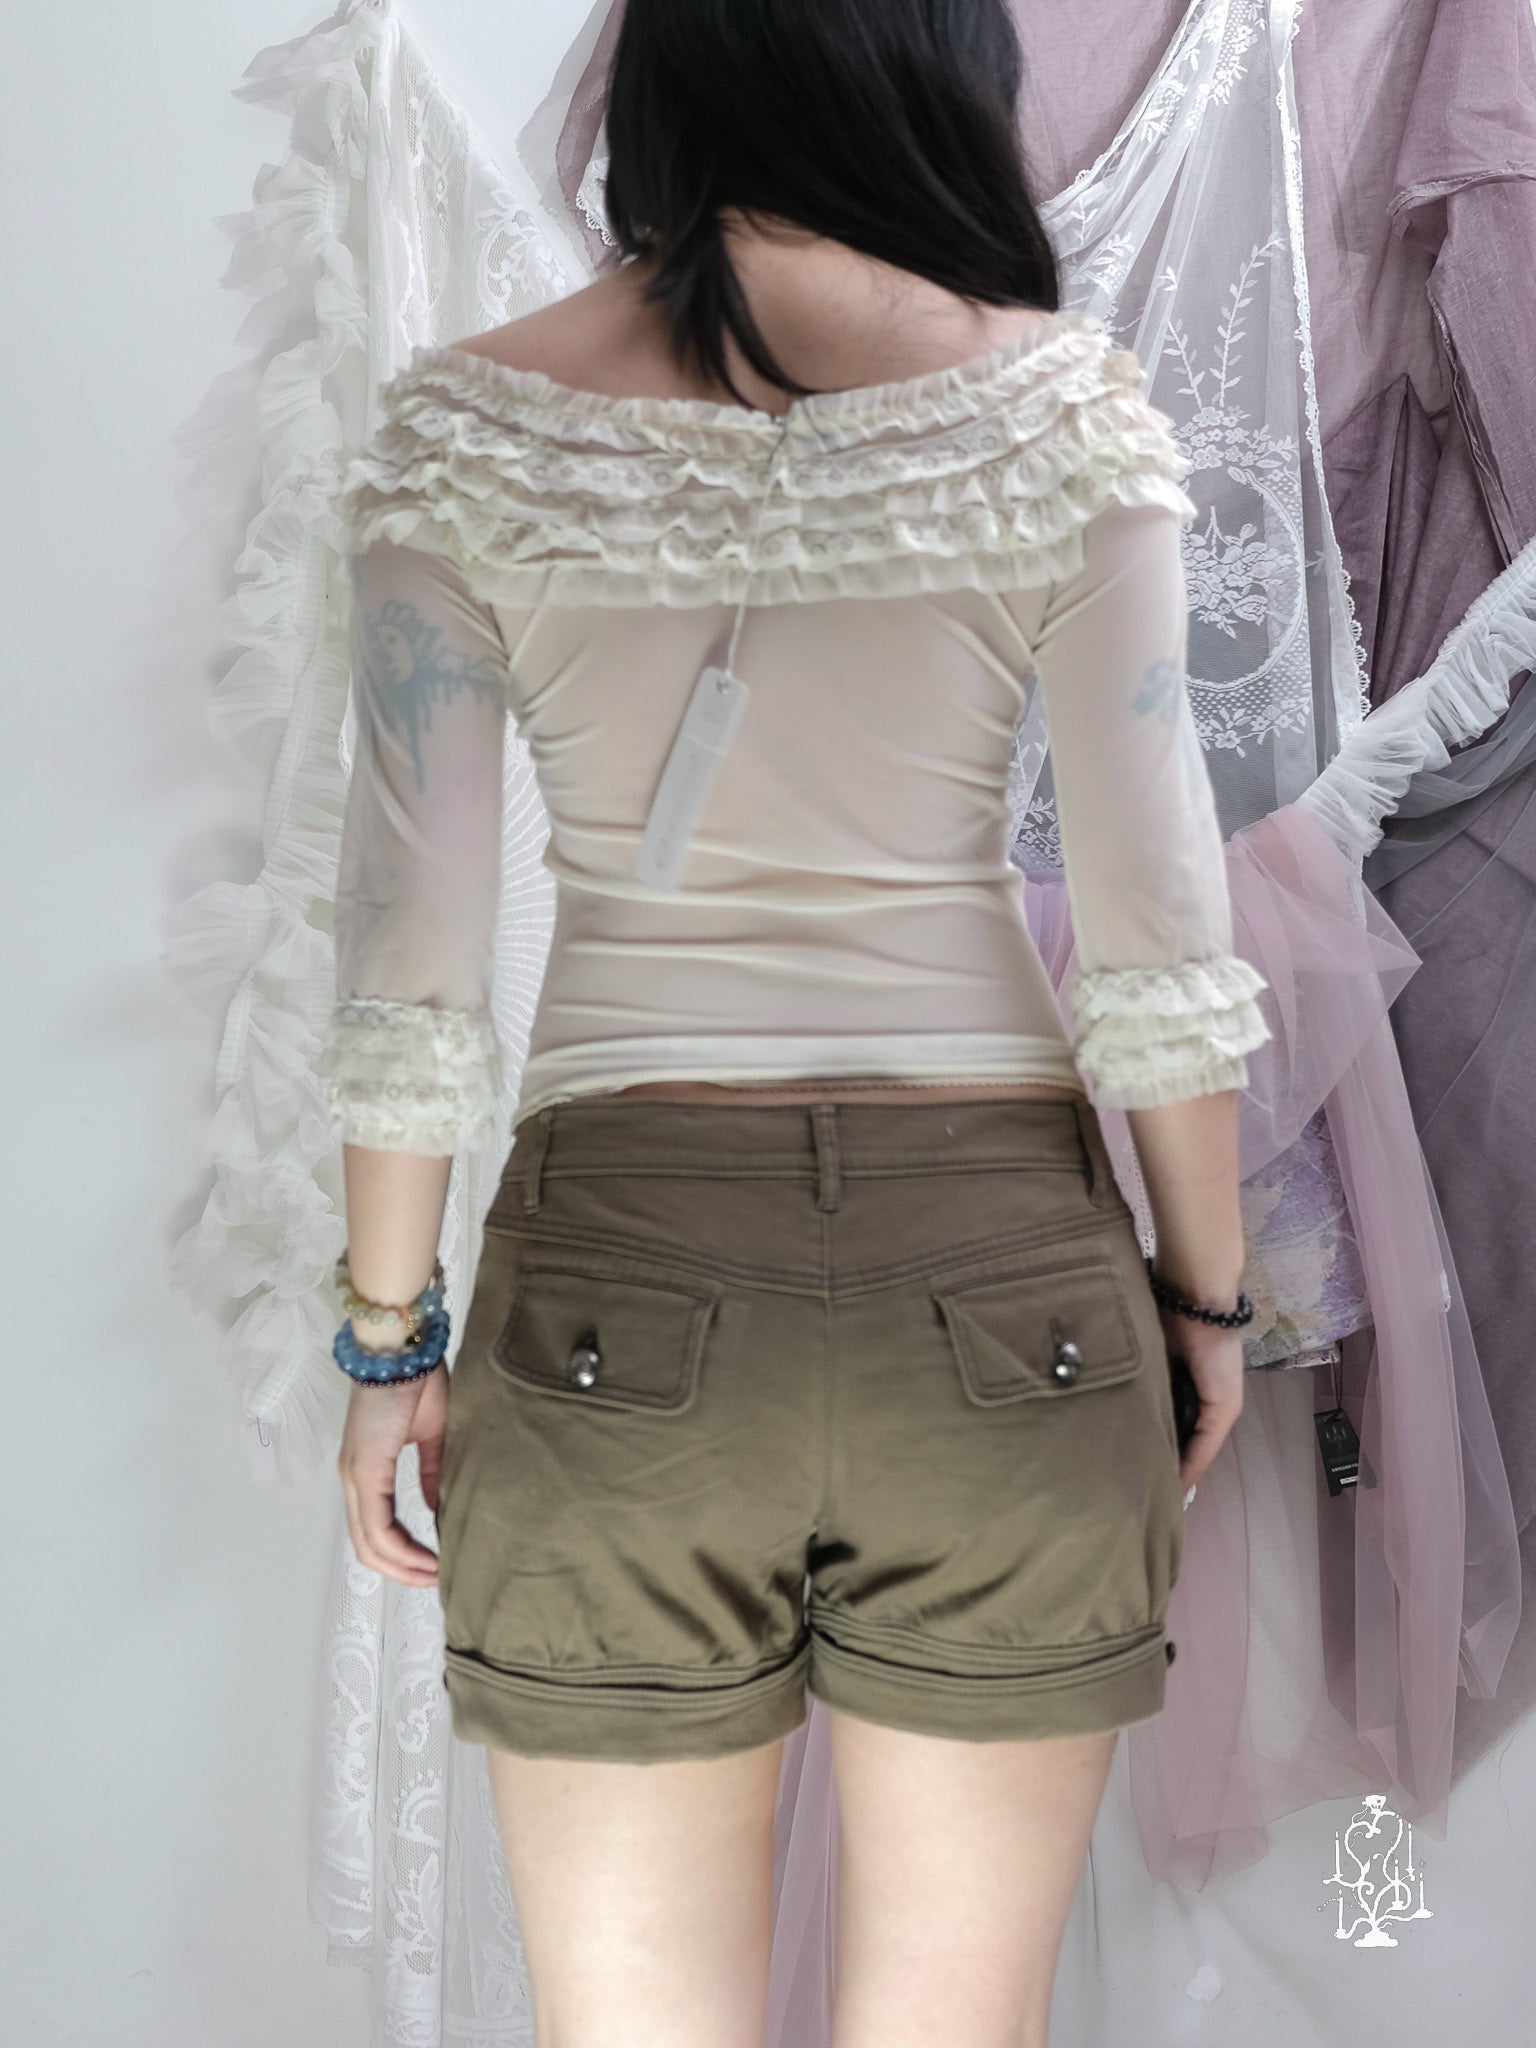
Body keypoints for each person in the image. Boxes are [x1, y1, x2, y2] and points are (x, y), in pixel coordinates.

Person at [318, 1, 1273, 2042]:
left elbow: (411, 952)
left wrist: (387, 1343)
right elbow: (1155, 930)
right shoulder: (1061, 413)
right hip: (1006, 1291)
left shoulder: (467, 426)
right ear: (943, 70)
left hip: (615, 1290)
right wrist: (1209, 1300)